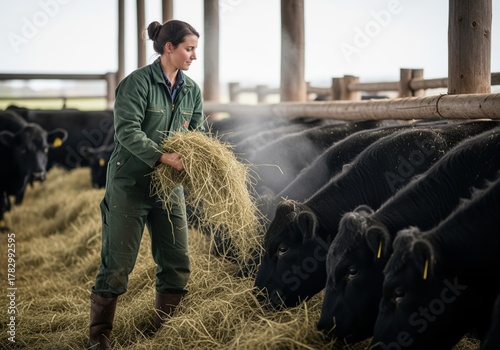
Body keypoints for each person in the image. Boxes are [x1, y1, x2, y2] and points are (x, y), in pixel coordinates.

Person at [88, 19, 204, 350]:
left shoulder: (192, 90)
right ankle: (99, 338)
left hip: (169, 188)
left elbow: (196, 135)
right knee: (118, 263)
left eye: (195, 49)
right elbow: (127, 132)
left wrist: (198, 163)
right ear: (169, 48)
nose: (194, 56)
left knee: (177, 261)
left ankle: (164, 334)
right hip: (130, 184)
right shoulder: (136, 84)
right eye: (189, 48)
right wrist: (163, 156)